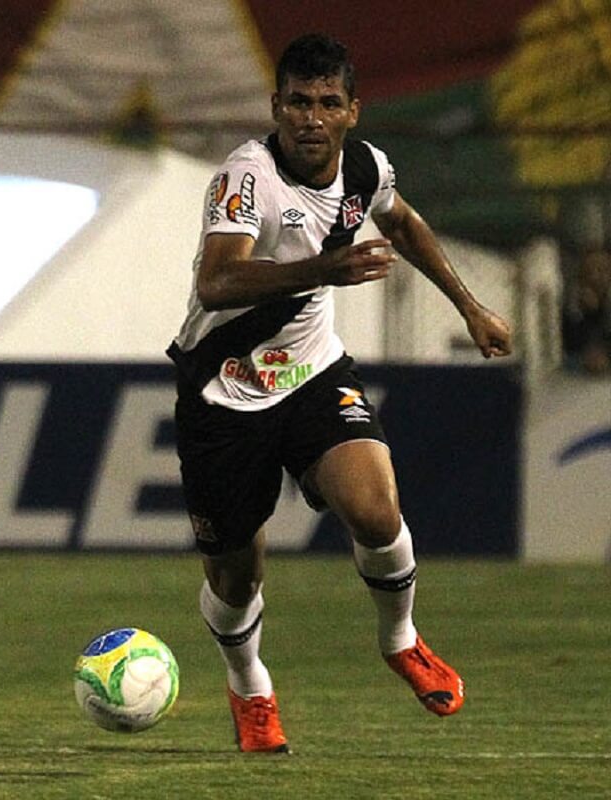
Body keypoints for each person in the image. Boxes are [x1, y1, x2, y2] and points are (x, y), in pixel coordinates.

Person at [166, 33, 512, 753]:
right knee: (236, 576)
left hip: (314, 372)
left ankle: (401, 639)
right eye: (297, 102)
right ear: (276, 106)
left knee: (376, 509)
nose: (311, 118)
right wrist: (324, 268)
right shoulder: (246, 178)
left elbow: (405, 222)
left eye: (327, 103)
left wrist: (471, 307)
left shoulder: (365, 167)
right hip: (224, 393)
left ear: (352, 111)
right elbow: (218, 281)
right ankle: (251, 686)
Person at [560, 248, 611, 375]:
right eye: (589, 271)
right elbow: (569, 342)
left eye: (601, 270)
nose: (595, 276)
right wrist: (584, 312)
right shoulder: (571, 304)